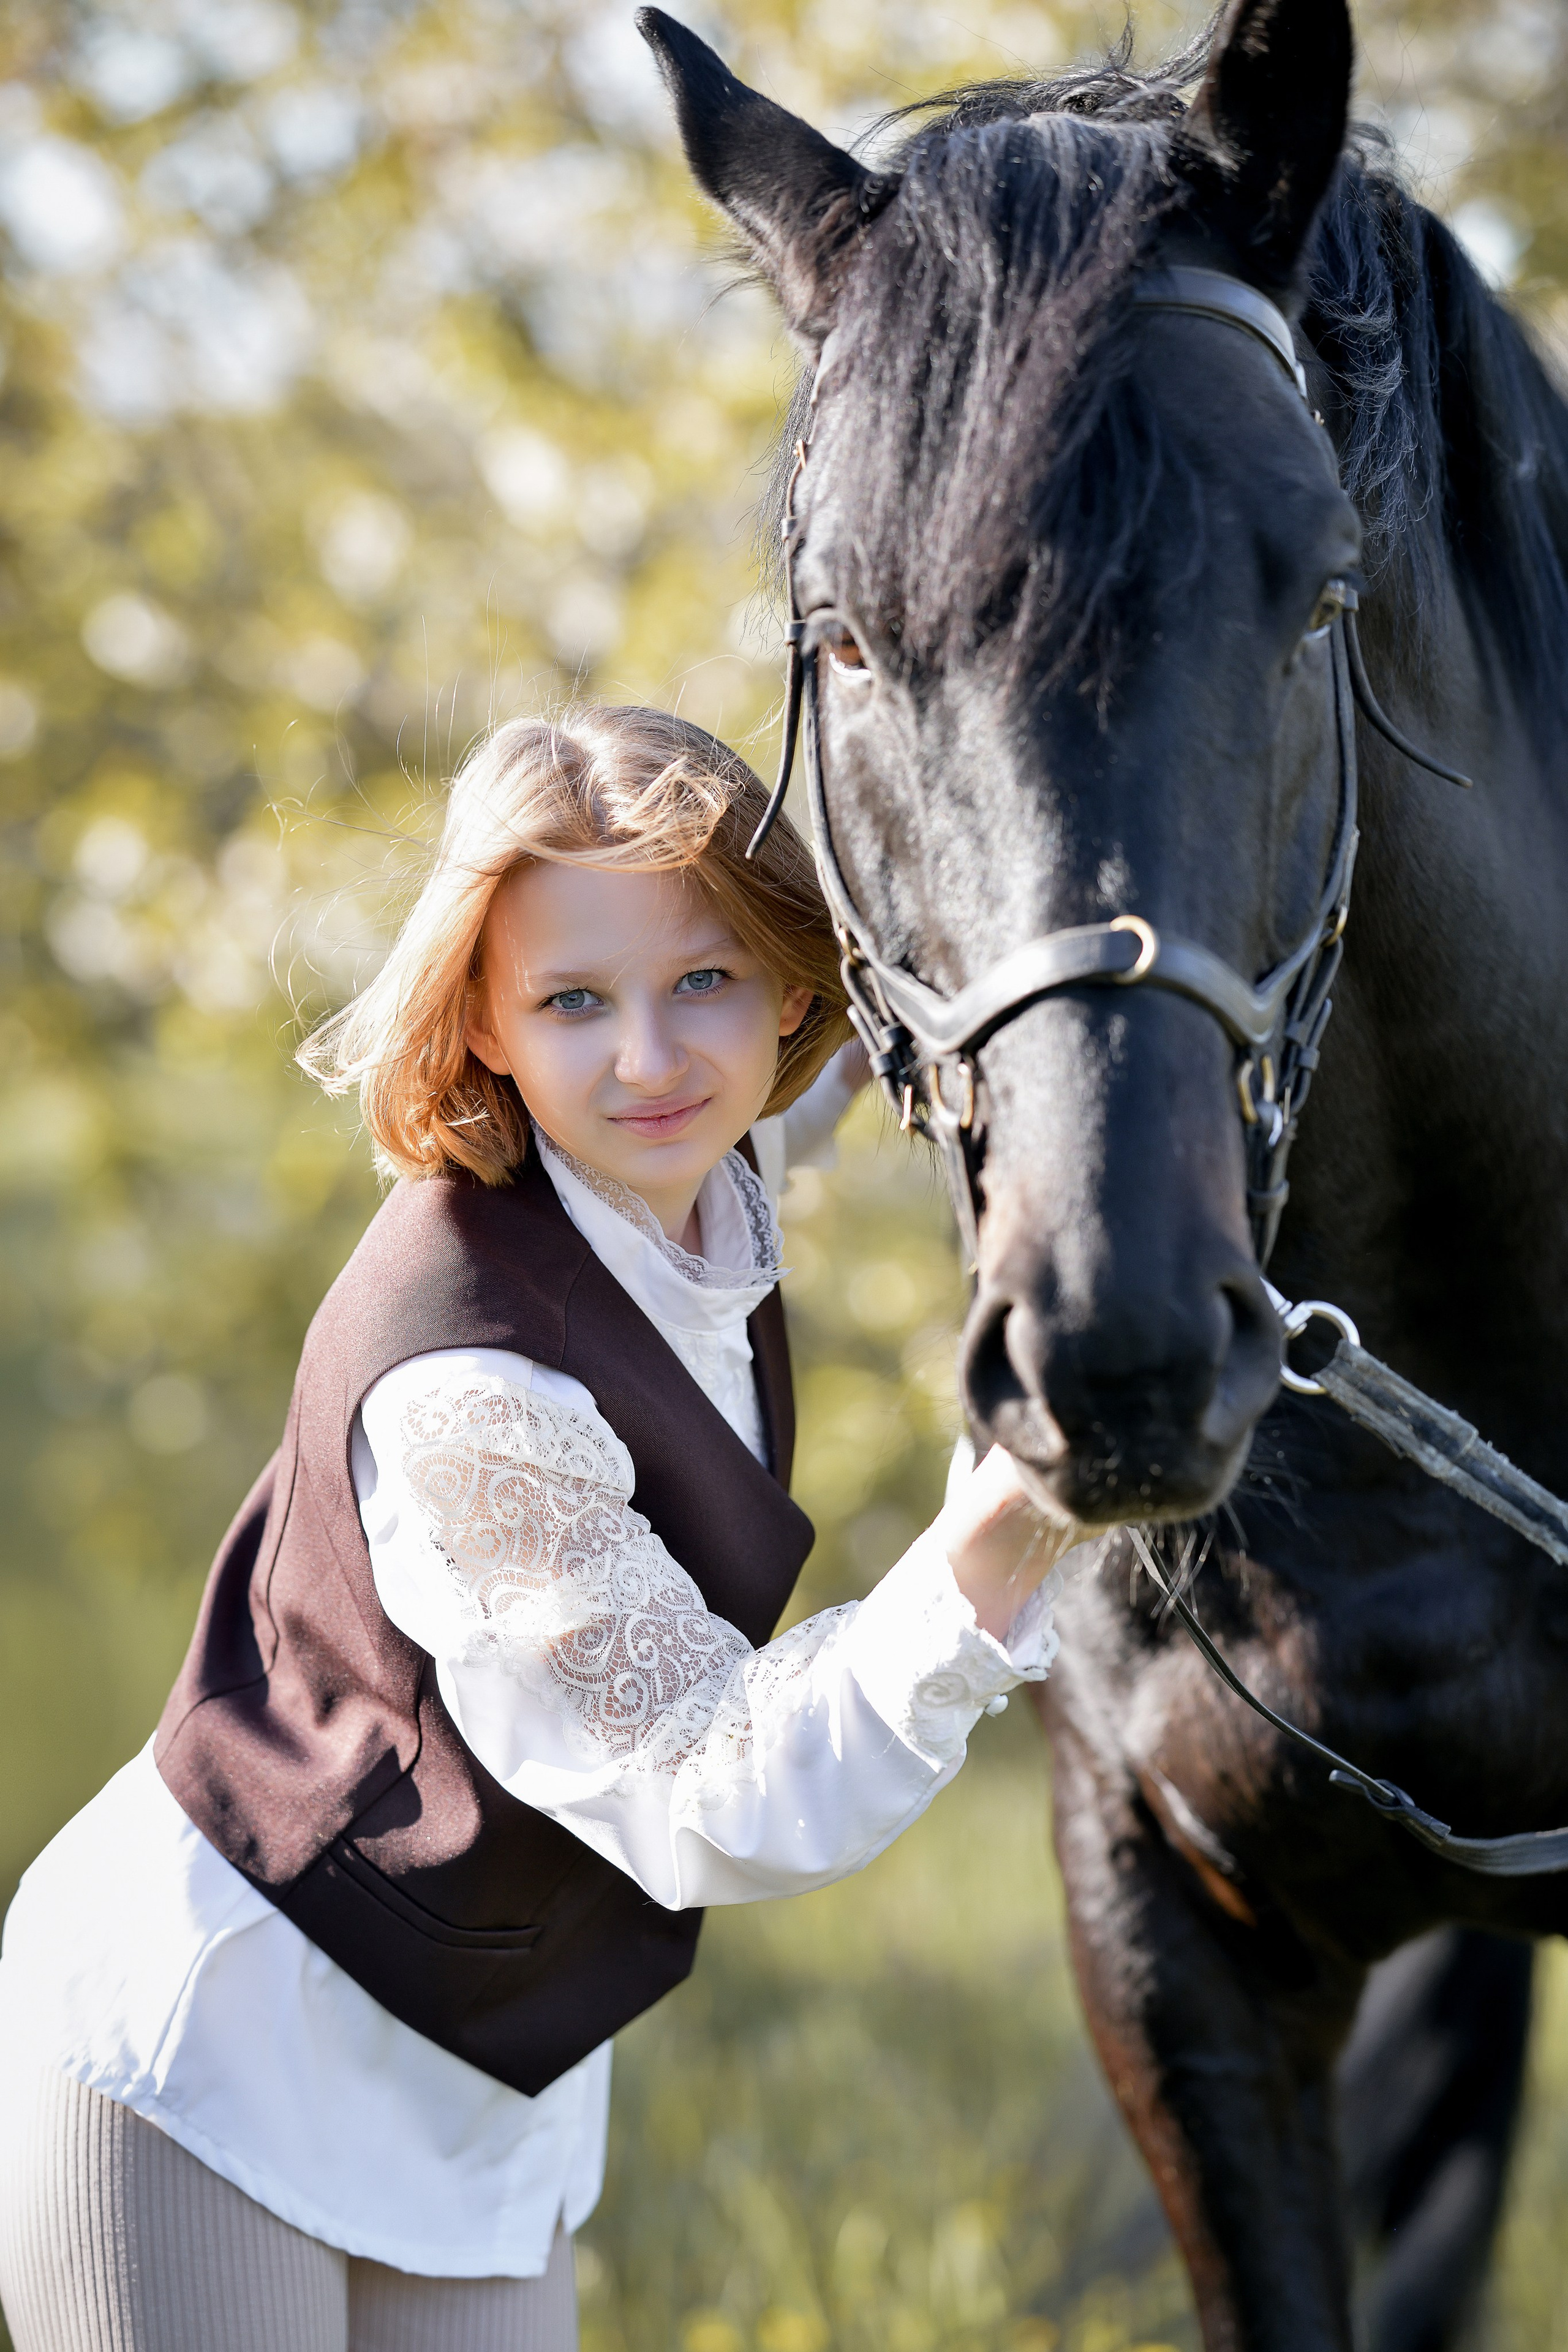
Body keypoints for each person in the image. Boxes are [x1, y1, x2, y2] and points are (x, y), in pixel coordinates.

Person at [0, 705, 1079, 2352]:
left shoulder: (693, 1175)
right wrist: (1004, 1531)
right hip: (212, 2045)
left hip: (482, 2073)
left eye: (705, 979)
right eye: (573, 1000)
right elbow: (708, 1779)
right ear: (485, 1023)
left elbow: (855, 1051)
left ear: (793, 990)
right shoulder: (468, 1383)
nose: (649, 1058)